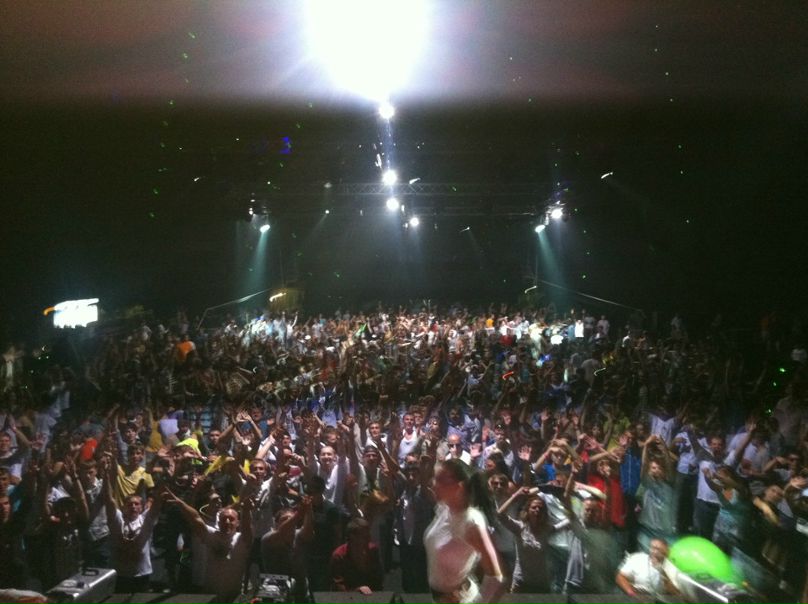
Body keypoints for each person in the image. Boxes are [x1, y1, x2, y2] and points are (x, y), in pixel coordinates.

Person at [423, 458, 506, 604]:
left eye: (440, 480)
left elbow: (495, 577)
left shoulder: (471, 521)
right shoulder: (443, 508)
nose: (434, 484)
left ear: (459, 486)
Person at [496, 487, 551, 593]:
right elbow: (500, 515)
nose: (537, 510)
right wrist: (516, 496)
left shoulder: (547, 529)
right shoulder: (520, 527)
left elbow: (567, 522)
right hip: (521, 583)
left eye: (540, 508)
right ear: (527, 510)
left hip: (541, 584)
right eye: (534, 507)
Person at [329, 517, 384, 594]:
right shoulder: (339, 556)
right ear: (352, 537)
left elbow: (378, 581)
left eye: (369, 536)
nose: (369, 539)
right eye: (365, 537)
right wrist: (357, 591)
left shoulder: (373, 551)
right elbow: (338, 587)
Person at [616, 538, 680, 598]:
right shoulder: (638, 559)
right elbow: (620, 577)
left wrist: (664, 574)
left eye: (658, 549)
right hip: (635, 596)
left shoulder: (672, 568)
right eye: (653, 548)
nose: (655, 552)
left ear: (666, 552)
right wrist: (632, 594)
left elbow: (676, 593)